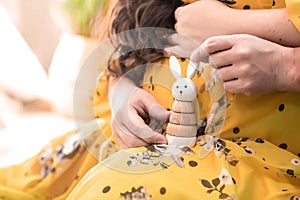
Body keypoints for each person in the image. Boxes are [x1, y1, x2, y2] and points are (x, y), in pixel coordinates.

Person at [67, 0, 300, 199]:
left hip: (264, 165)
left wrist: (284, 65)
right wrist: (121, 91)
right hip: (133, 149)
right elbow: (125, 46)